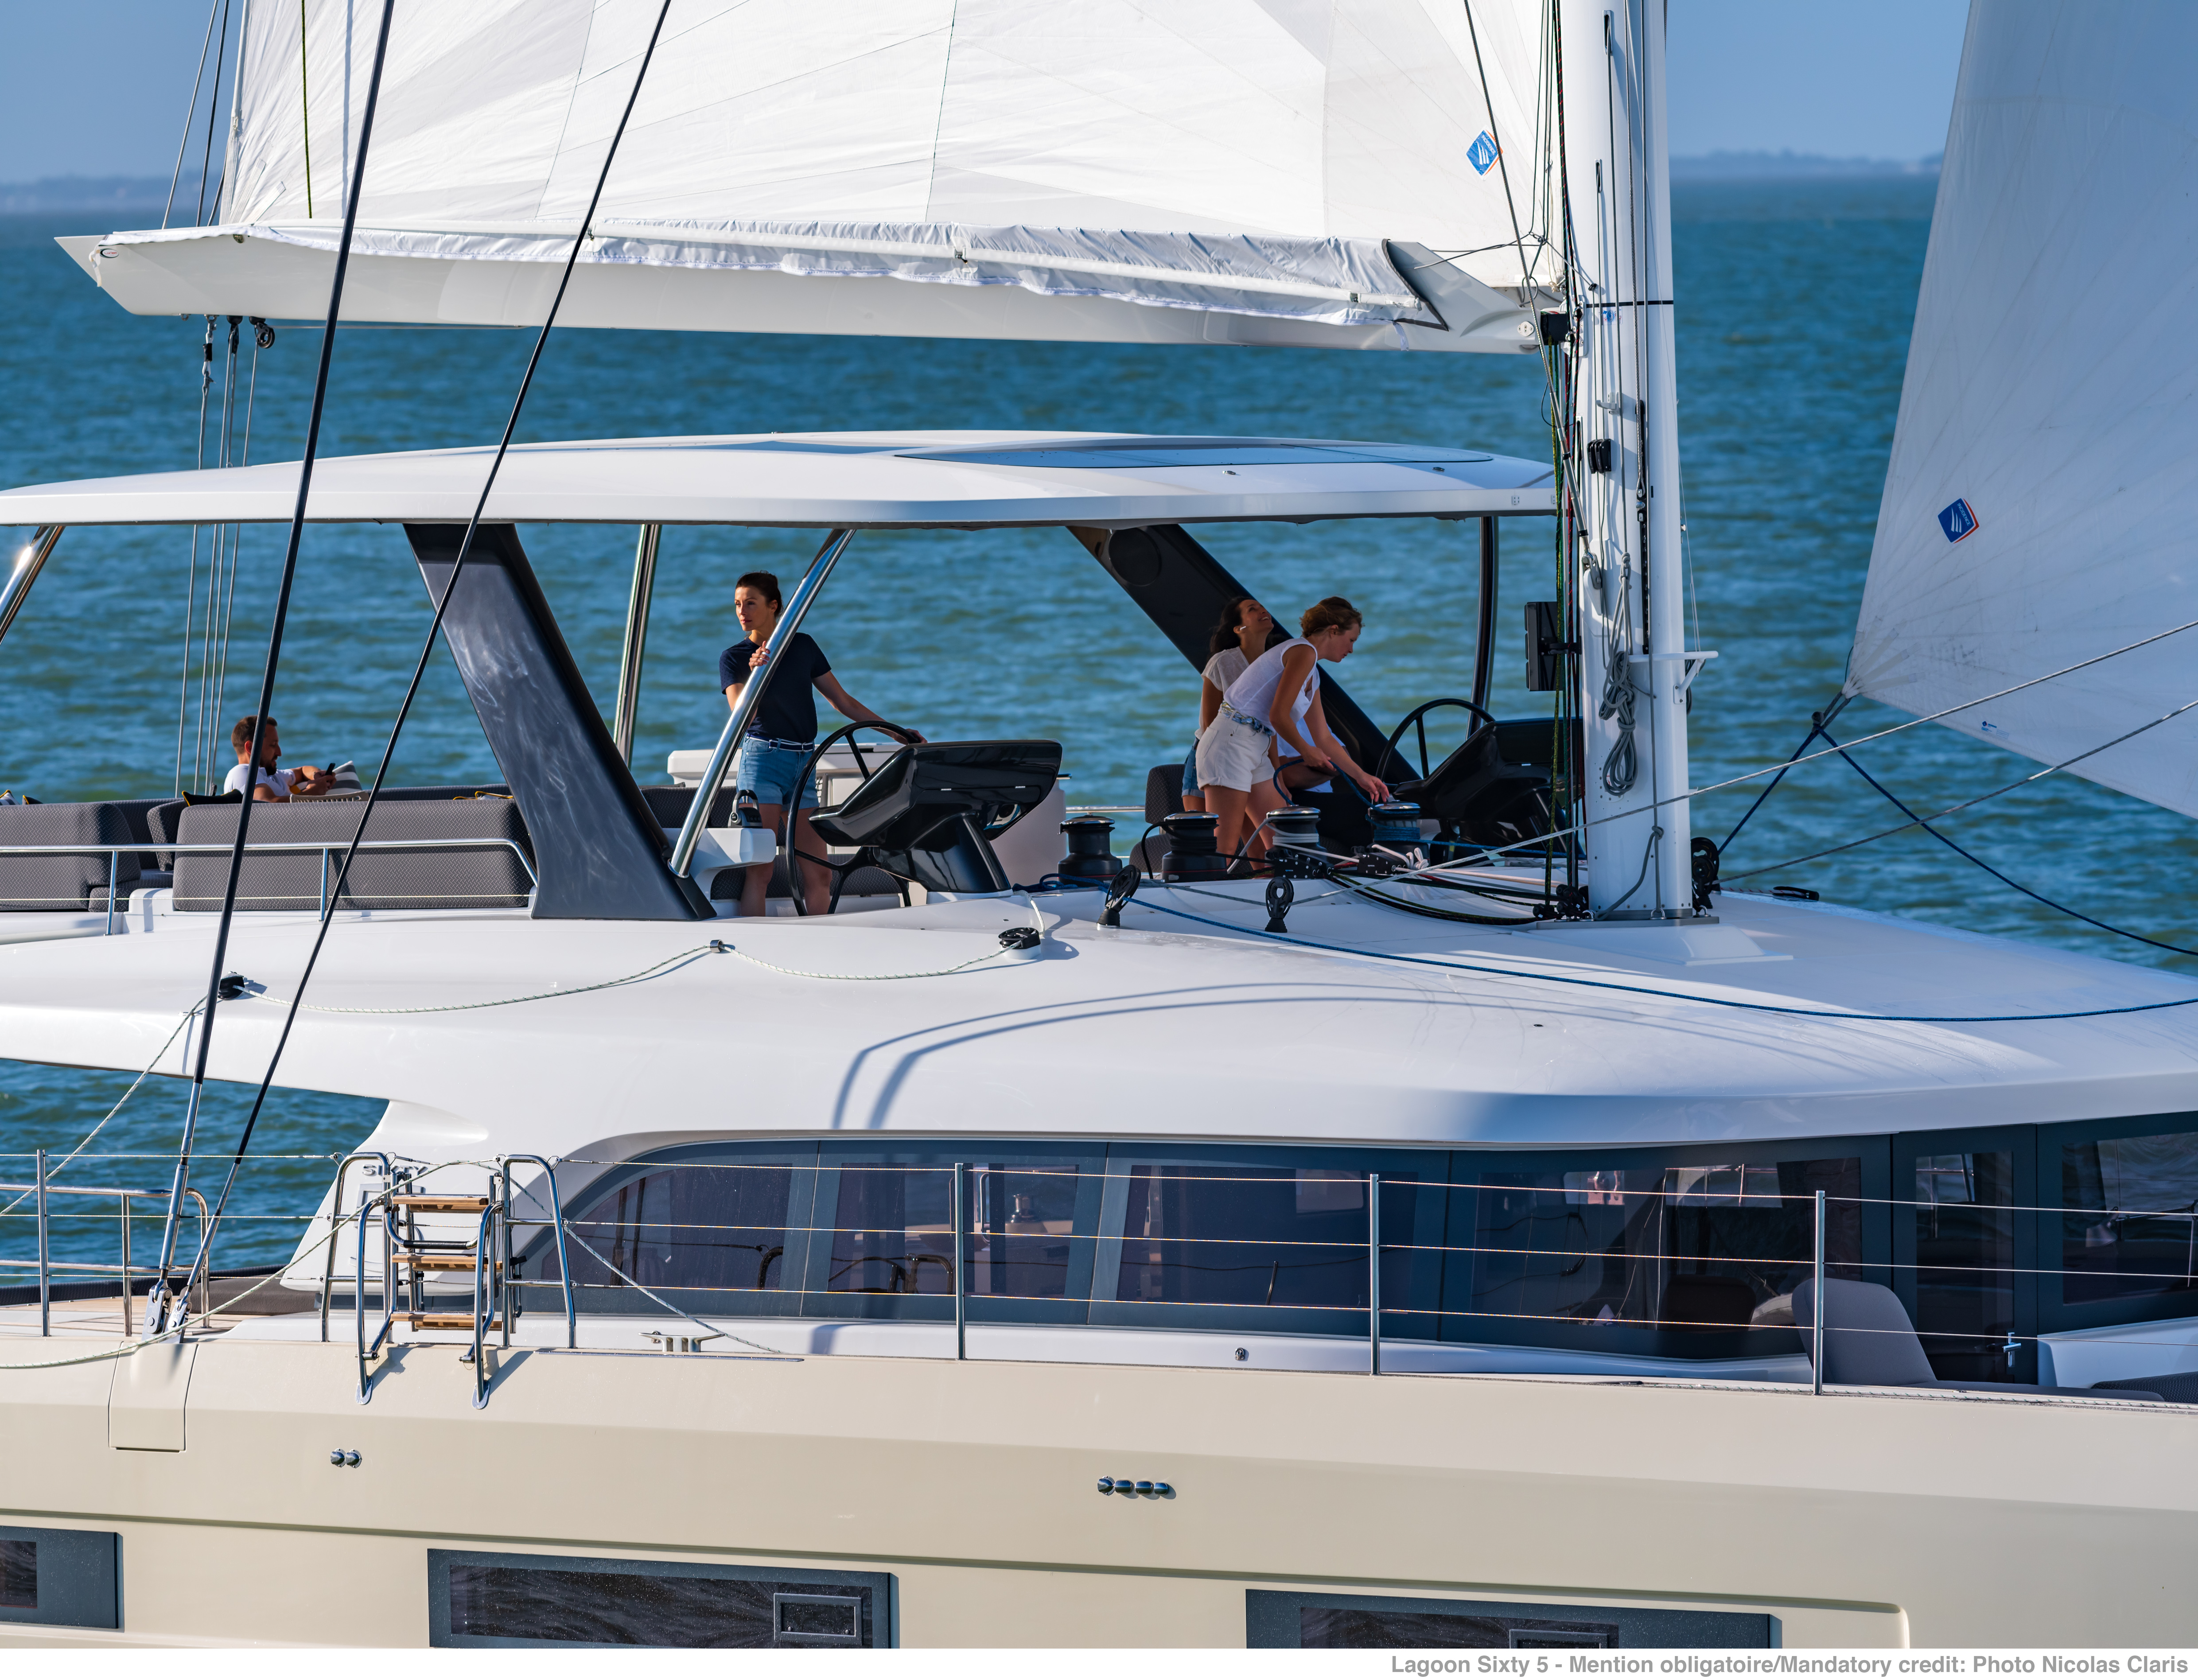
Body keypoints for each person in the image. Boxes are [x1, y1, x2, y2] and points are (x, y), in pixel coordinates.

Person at [718, 570, 923, 917]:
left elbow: (843, 702)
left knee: (820, 875)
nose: (742, 612)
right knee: (761, 872)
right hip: (762, 762)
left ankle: (820, 941)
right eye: (738, 604)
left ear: (773, 606)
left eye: (750, 603)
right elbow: (743, 718)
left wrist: (895, 733)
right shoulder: (735, 658)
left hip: (804, 765)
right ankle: (756, 945)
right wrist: (756, 673)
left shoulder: (803, 646)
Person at [1194, 596, 1389, 861]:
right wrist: (1306, 751)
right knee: (1224, 849)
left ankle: (1269, 887)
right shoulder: (1302, 652)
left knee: (1284, 846)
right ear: (1334, 631)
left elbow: (1324, 738)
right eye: (1352, 640)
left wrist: (1361, 777)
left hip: (1255, 747)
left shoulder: (1313, 672)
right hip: (1230, 743)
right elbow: (1278, 716)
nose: (1352, 650)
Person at [1181, 596, 1275, 814]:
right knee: (1205, 832)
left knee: (1258, 833)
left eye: (1263, 607)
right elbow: (1209, 724)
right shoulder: (1223, 663)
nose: (1263, 610)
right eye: (1253, 609)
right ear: (1239, 628)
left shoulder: (1274, 665)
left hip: (1253, 757)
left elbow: (1270, 725)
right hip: (1215, 756)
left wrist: (1277, 772)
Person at [222, 716, 335, 801]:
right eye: (273, 745)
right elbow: (269, 806)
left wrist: (316, 775)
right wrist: (311, 793)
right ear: (251, 748)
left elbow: (302, 771)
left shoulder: (273, 776)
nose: (279, 753)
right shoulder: (240, 773)